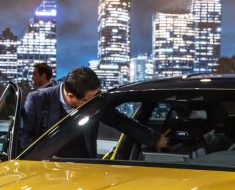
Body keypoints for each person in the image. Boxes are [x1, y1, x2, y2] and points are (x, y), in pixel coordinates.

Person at [18, 66, 168, 154]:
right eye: (87, 100)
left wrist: (155, 139)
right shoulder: (38, 100)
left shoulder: (93, 100)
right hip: (46, 172)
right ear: (70, 96)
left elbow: (121, 121)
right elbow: (23, 138)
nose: (93, 104)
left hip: (85, 170)